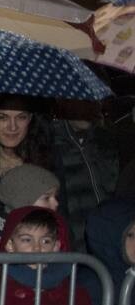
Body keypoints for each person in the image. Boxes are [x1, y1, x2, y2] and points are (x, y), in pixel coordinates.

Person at [0, 96, 50, 242]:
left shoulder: (45, 161)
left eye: (21, 117)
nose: (13, 127)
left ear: (30, 119)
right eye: (2, 117)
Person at [50, 101, 119, 249]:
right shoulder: (51, 143)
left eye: (93, 101)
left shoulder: (104, 140)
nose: (89, 107)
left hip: (111, 237)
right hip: (76, 243)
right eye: (81, 101)